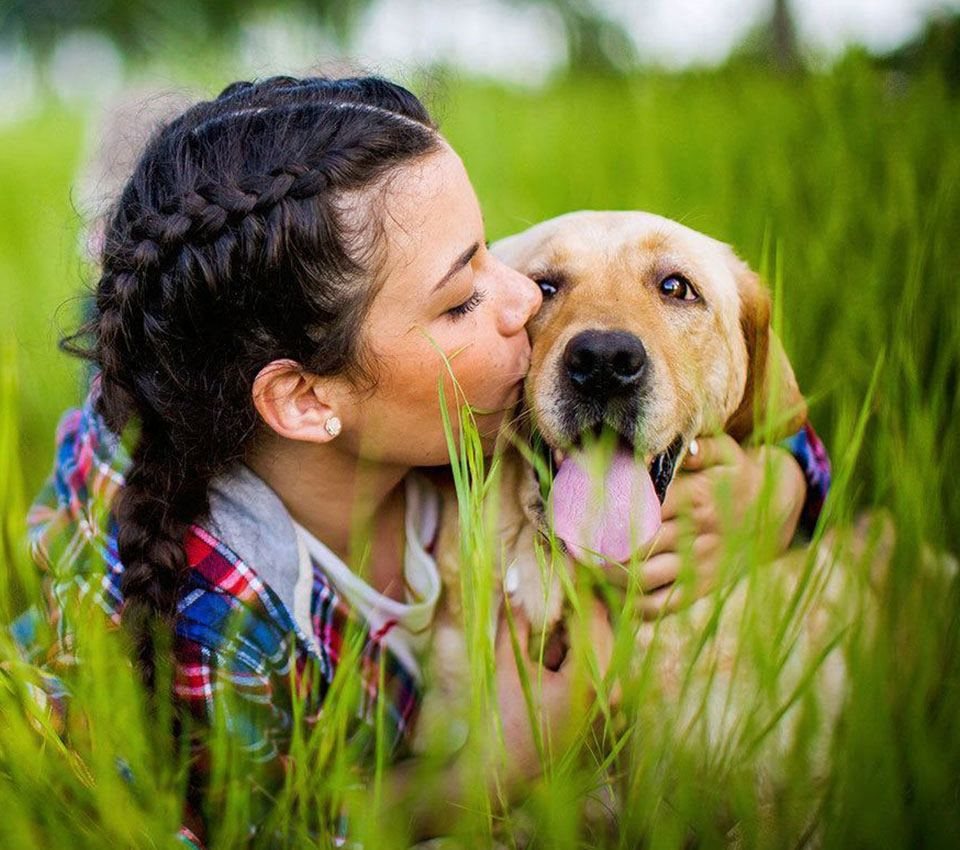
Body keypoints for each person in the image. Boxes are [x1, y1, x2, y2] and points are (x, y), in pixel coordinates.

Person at [16, 75, 830, 847]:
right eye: (465, 297)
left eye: (490, 258)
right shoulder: (202, 621)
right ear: (308, 401)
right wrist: (487, 769)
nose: (520, 303)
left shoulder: (457, 420)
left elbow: (763, 406)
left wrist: (786, 486)